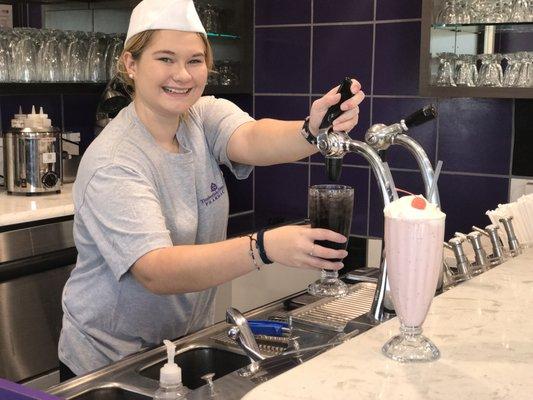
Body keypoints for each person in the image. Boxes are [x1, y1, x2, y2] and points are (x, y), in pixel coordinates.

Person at [58, 0, 365, 380]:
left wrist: (313, 129)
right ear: (131, 64)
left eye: (195, 60)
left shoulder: (200, 117)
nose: (183, 75)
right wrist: (264, 247)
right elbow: (156, 270)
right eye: (165, 59)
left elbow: (253, 138)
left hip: (182, 345)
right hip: (110, 365)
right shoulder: (115, 161)